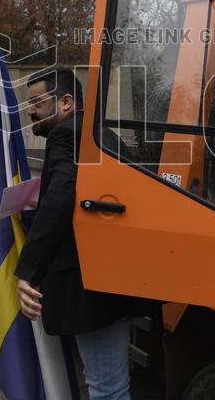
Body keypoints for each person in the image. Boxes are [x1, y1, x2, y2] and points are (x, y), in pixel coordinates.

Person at [15, 68, 132, 400]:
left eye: (37, 101)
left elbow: (64, 194)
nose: (30, 109)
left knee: (106, 387)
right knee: (113, 381)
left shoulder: (66, 134)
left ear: (65, 101)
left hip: (88, 286)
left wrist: (28, 270)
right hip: (114, 278)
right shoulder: (100, 131)